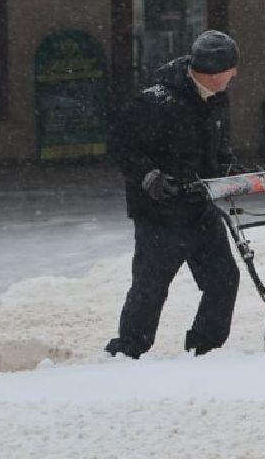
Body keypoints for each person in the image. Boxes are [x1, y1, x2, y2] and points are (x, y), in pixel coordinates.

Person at [104, 29, 242, 359]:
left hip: (200, 208)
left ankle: (205, 347)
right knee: (151, 286)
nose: (235, 75)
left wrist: (227, 168)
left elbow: (216, 148)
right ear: (213, 73)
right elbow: (121, 146)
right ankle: (129, 350)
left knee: (223, 278)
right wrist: (149, 176)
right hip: (160, 213)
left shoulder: (215, 99)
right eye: (231, 69)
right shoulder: (156, 102)